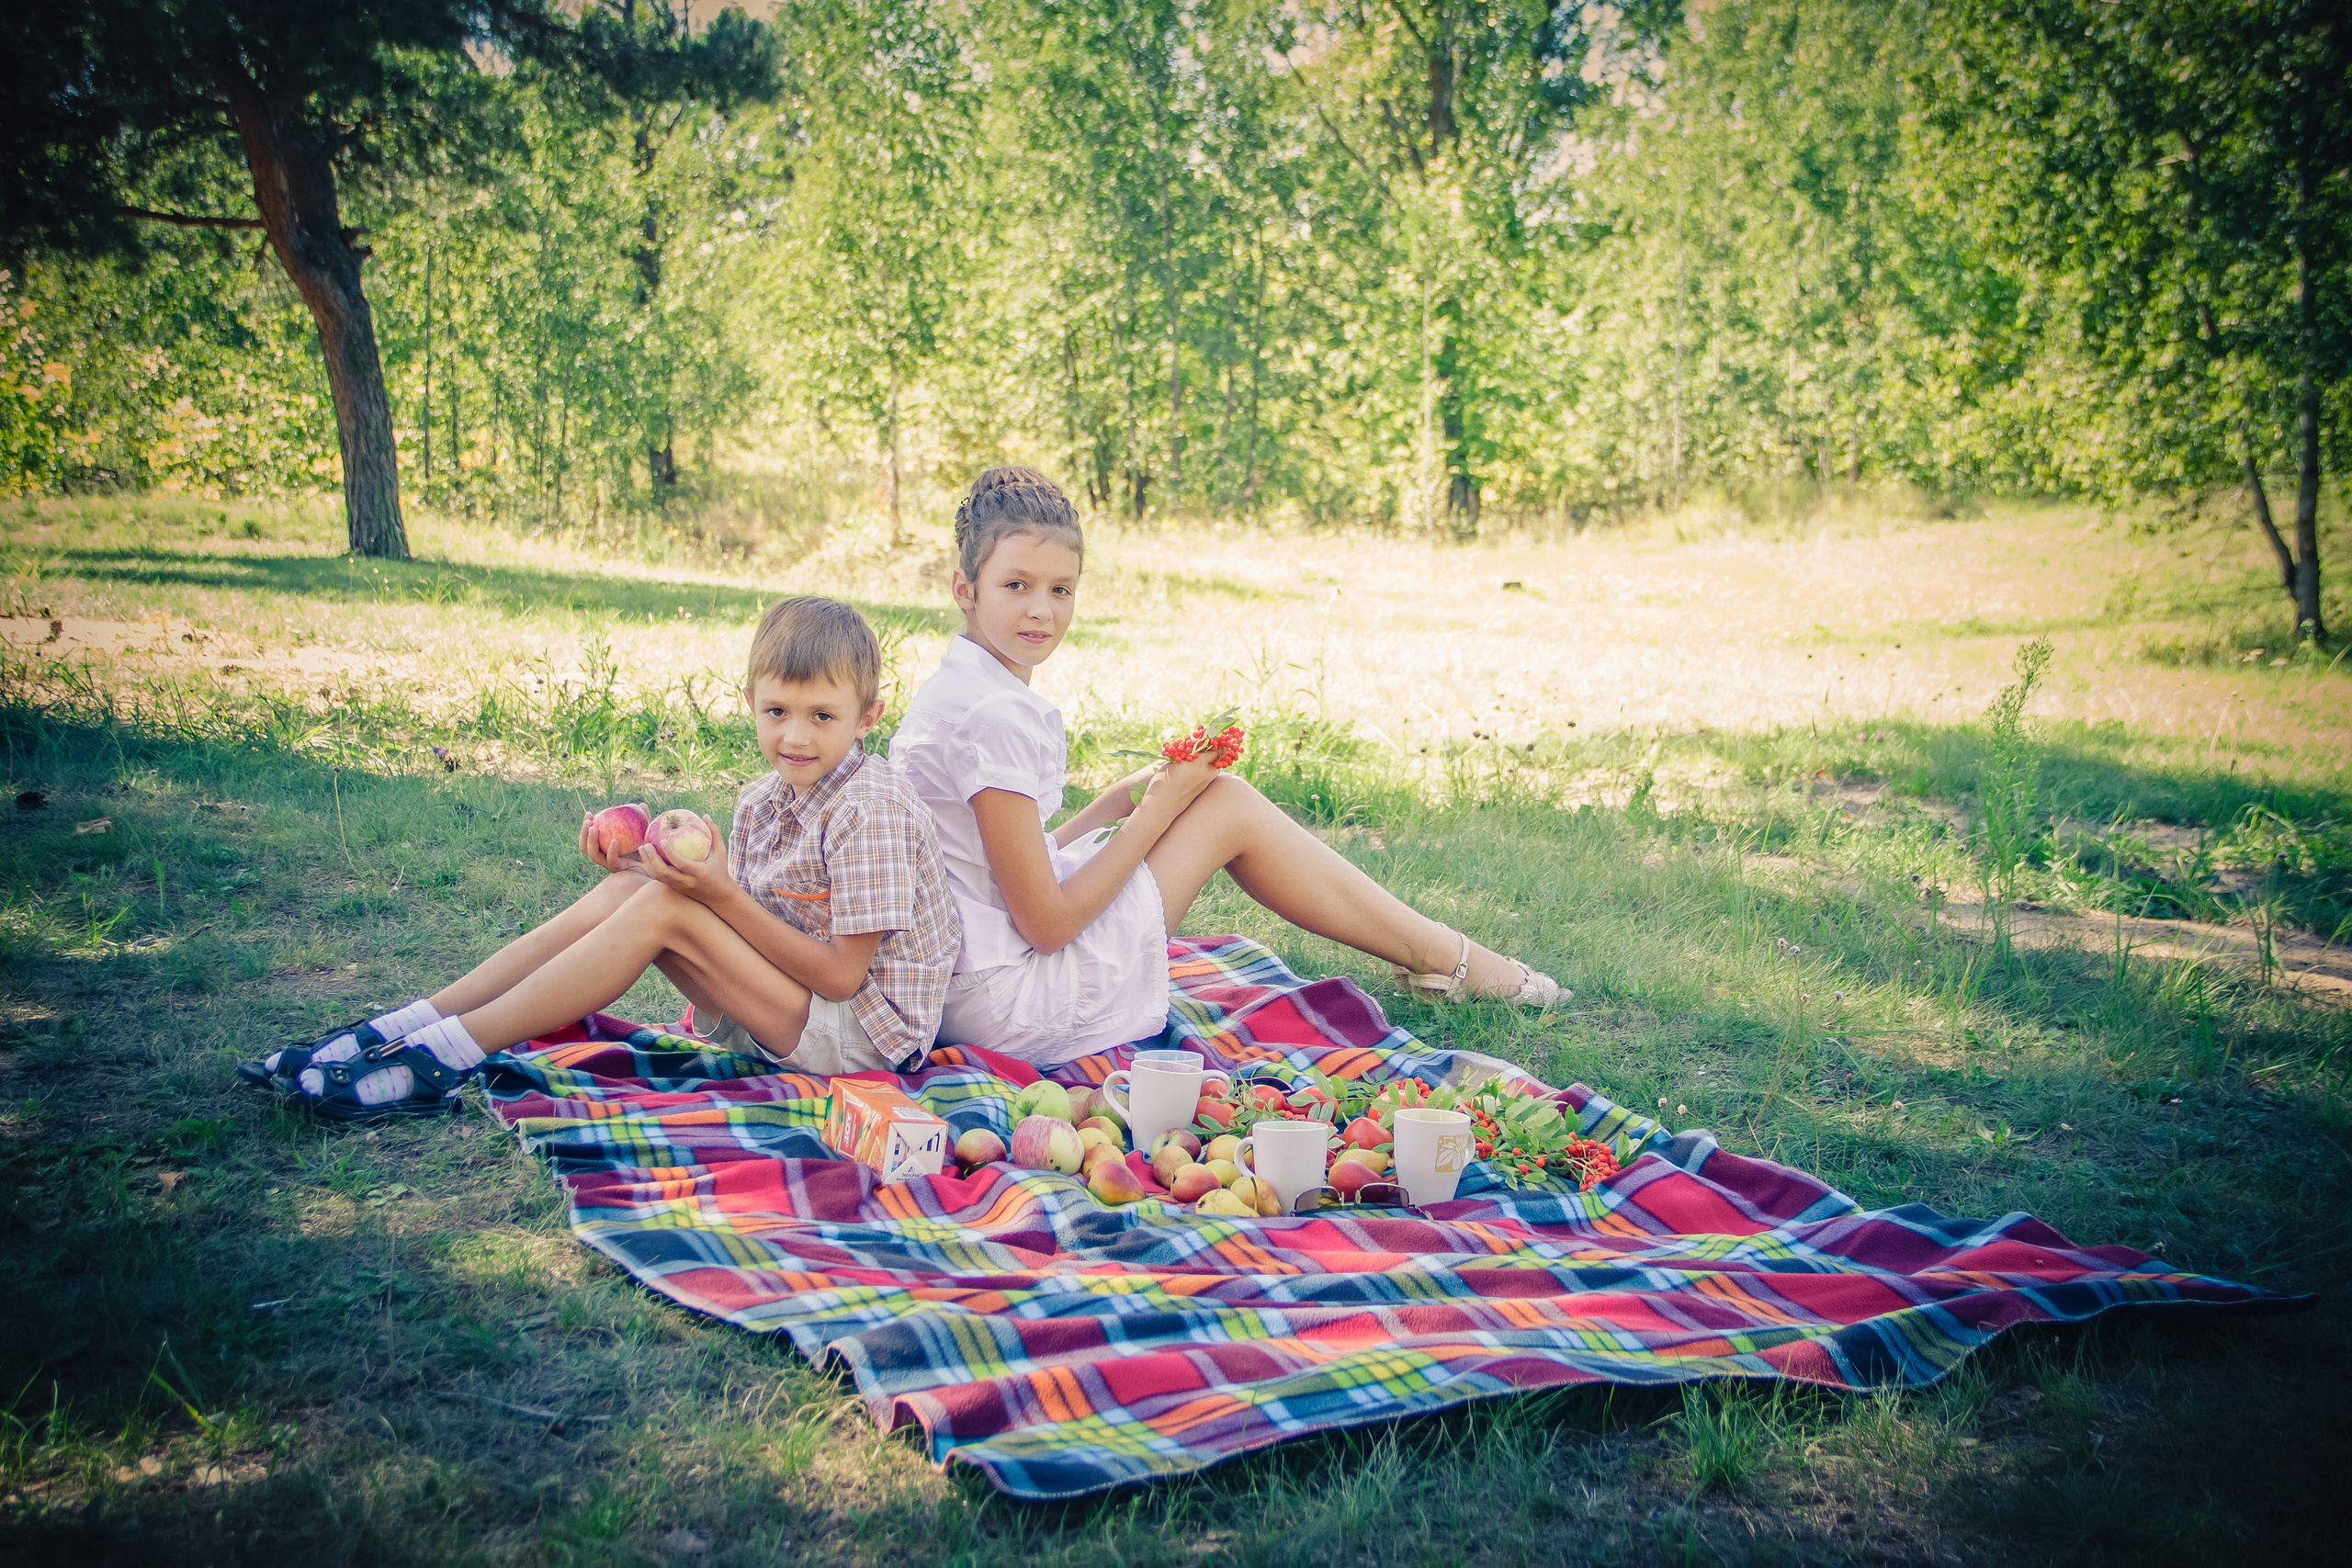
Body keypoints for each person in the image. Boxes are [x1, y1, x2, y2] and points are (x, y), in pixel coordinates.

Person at [888, 467, 1562, 1066]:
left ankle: (1440, 955)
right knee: (1229, 805)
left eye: (1062, 589)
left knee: (1211, 797)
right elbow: (1047, 924)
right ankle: (1449, 959)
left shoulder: (955, 688)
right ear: (965, 588)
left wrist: (1124, 798)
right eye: (1017, 585)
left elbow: (995, 866)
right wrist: (1155, 812)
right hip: (1013, 1006)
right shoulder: (996, 717)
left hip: (967, 984)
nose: (1043, 609)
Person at [243, 596, 959, 1117]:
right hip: (788, 1003)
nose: (795, 736)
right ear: (749, 701)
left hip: (861, 1037)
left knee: (664, 907)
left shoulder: (872, 808)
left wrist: (712, 894)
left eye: (822, 716)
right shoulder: (762, 799)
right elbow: (750, 917)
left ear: (867, 716)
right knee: (636, 893)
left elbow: (838, 975)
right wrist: (650, 868)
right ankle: (399, 1028)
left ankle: (442, 1058)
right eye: (776, 712)